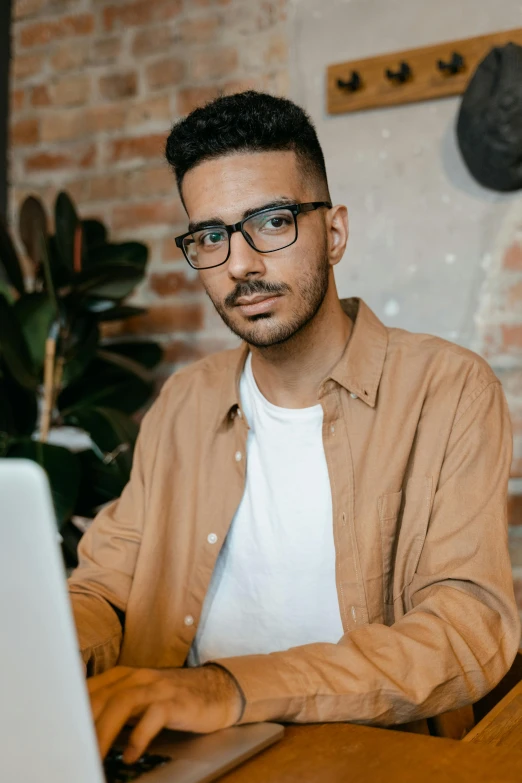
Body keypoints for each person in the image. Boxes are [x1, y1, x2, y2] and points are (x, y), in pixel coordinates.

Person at [69, 91, 520, 764]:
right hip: (171, 750)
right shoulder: (184, 401)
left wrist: (228, 687)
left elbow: (468, 627)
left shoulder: (446, 389)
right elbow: (103, 586)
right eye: (212, 236)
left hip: (363, 757)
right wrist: (45, 659)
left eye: (273, 221)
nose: (241, 264)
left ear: (334, 232)